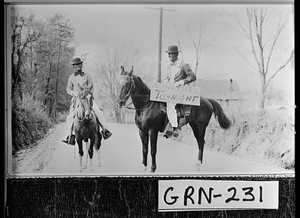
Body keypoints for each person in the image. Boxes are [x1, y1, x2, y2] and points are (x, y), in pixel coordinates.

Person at [62, 57, 112, 144]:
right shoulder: (71, 77)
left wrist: (86, 92)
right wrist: (74, 93)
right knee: (70, 116)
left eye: (79, 64)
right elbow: (68, 89)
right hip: (77, 99)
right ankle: (71, 135)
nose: (78, 66)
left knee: (98, 112)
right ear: (74, 66)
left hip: (87, 97)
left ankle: (105, 130)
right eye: (76, 65)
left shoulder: (87, 75)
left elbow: (91, 86)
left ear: (81, 65)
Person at [164, 45, 196, 137]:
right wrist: (166, 82)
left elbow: (193, 76)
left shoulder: (183, 65)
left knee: (170, 105)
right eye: (168, 54)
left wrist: (182, 82)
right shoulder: (169, 67)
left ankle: (175, 128)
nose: (169, 56)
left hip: (181, 90)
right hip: (170, 90)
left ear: (176, 54)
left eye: (171, 54)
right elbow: (168, 78)